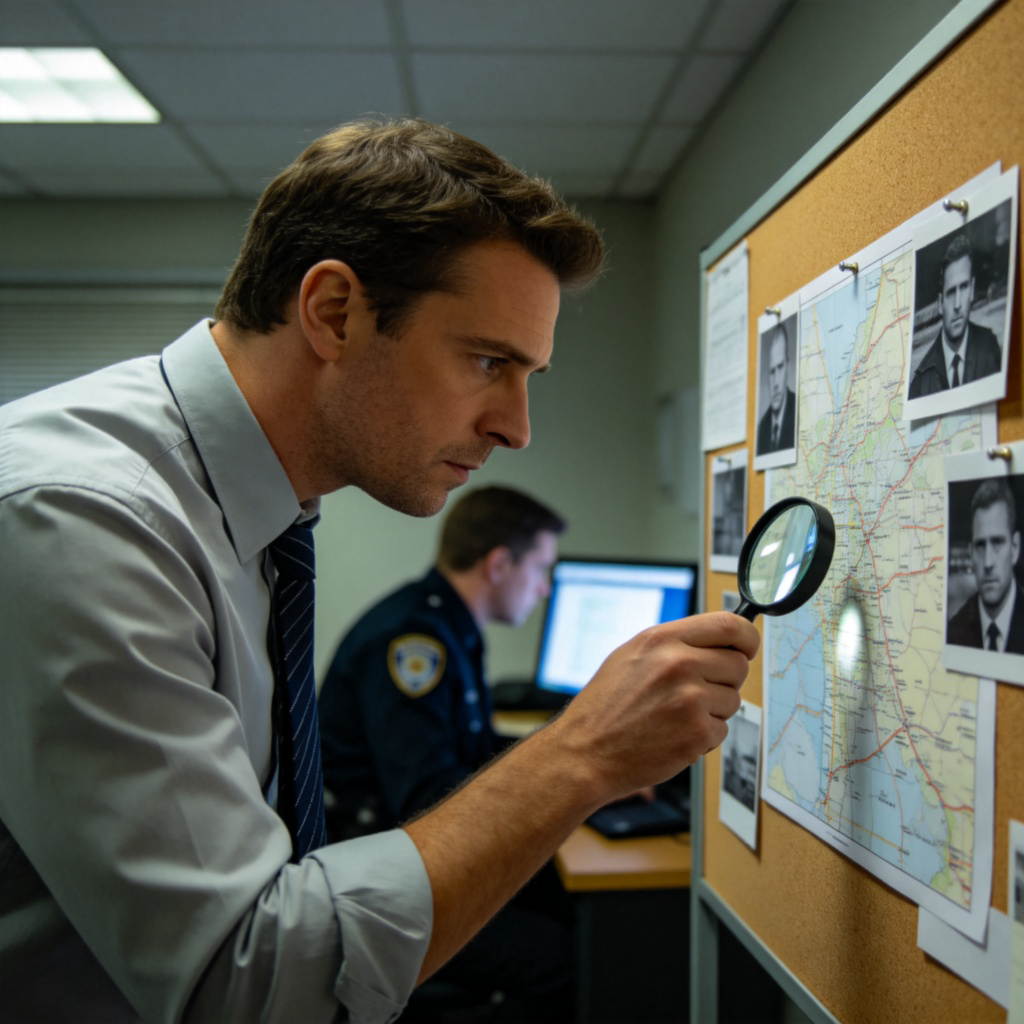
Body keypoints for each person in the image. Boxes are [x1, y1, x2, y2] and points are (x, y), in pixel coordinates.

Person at [0, 116, 759, 1024]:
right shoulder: (87, 519)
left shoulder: (255, 511)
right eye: (488, 361)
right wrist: (583, 754)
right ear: (334, 312)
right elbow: (244, 985)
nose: (517, 428)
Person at [319, 484, 570, 1017]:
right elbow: (426, 798)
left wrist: (572, 763)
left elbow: (471, 751)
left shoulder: (447, 623)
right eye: (540, 568)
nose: (544, 588)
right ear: (499, 564)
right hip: (381, 882)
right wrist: (560, 786)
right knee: (558, 957)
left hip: (407, 860)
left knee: (566, 903)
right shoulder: (415, 640)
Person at [908, 233, 1002, 398]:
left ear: (972, 290)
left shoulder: (989, 348)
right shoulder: (920, 384)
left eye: (964, 287)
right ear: (940, 303)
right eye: (951, 292)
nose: (958, 304)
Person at [948, 478, 1024, 652]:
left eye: (997, 542)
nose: (988, 562)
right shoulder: (954, 634)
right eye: (980, 545)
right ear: (971, 553)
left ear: (1014, 548)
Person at [756, 325, 796, 454]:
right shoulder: (762, 429)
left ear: (787, 366)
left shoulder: (799, 410)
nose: (776, 382)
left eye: (780, 367)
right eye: (772, 371)